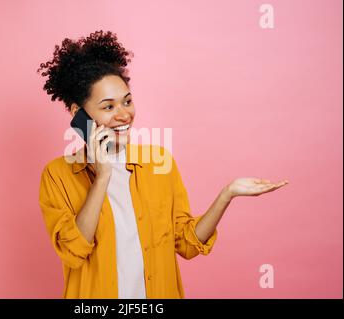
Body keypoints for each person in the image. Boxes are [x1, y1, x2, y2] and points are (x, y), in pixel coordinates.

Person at [37, 30, 289, 299]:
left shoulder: (158, 163)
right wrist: (102, 176)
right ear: (79, 114)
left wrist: (227, 193)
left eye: (128, 101)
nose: (124, 114)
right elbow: (74, 251)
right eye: (108, 107)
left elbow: (187, 243)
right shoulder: (58, 175)